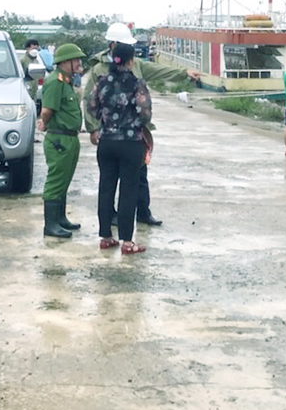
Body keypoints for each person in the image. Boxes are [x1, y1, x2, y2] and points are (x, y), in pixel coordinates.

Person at [83, 22, 200, 226]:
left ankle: (142, 212)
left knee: (139, 176)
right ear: (112, 44)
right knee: (111, 181)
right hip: (113, 134)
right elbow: (89, 101)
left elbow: (158, 70)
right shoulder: (98, 70)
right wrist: (93, 128)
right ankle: (112, 218)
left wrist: (183, 73)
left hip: (133, 135)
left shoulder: (136, 64)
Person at [88, 42, 152, 254]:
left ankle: (105, 237)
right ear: (131, 61)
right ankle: (127, 241)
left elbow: (92, 107)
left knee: (106, 187)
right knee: (128, 190)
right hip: (130, 143)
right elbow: (145, 114)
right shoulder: (136, 84)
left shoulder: (102, 81)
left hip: (106, 142)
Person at [37, 43, 86, 238]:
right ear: (66, 62)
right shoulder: (55, 82)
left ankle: (60, 219)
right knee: (56, 181)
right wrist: (43, 122)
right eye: (76, 60)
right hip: (59, 139)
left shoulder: (65, 81)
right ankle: (50, 225)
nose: (79, 63)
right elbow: (48, 109)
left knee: (64, 179)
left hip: (69, 138)